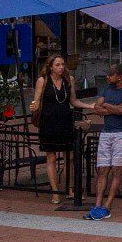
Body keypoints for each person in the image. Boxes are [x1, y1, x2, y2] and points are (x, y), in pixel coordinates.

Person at [82, 62, 122, 221]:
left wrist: (106, 104)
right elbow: (96, 108)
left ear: (119, 77)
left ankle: (107, 206)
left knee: (116, 170)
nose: (107, 76)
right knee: (102, 169)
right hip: (106, 132)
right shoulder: (106, 89)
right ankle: (97, 205)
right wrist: (112, 107)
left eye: (110, 74)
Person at [30, 54, 77, 205]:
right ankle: (55, 191)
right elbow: (36, 102)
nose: (61, 67)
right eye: (57, 65)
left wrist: (91, 106)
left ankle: (70, 189)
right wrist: (34, 106)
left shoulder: (69, 80)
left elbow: (74, 101)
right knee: (51, 157)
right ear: (50, 66)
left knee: (69, 157)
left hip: (65, 122)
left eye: (62, 64)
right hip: (48, 122)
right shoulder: (42, 81)